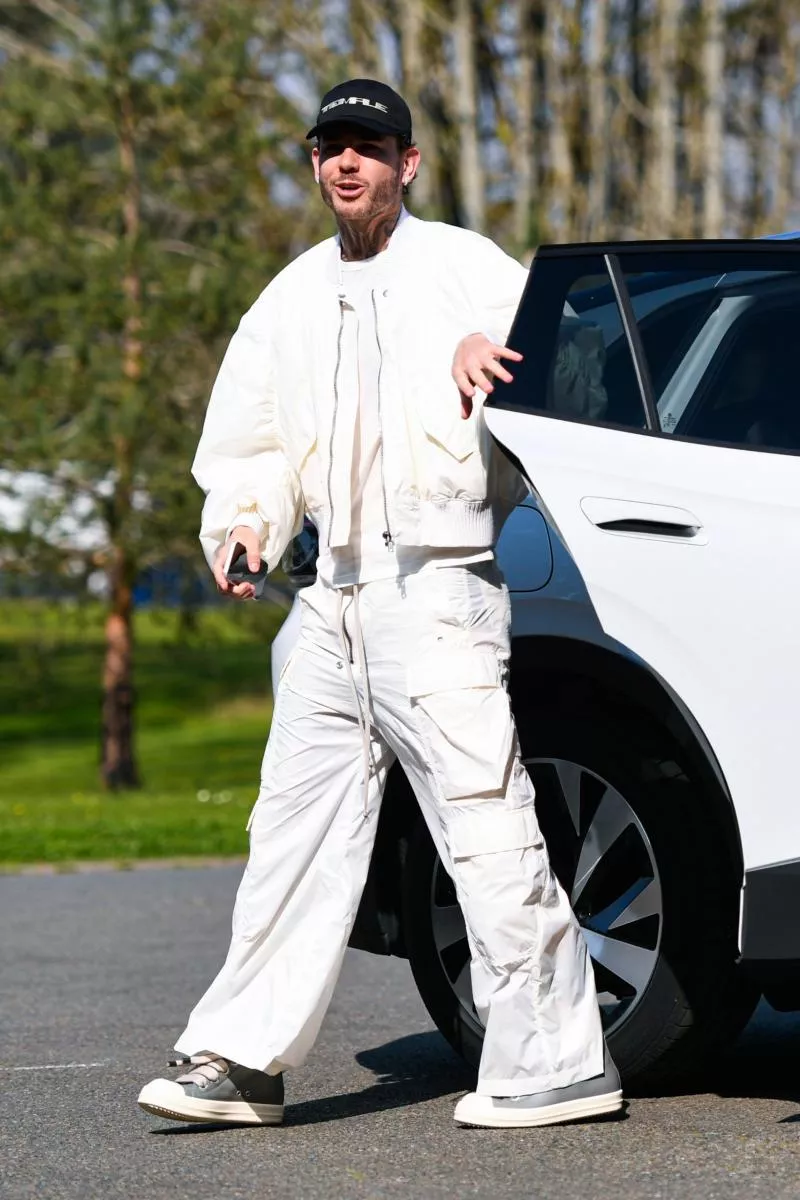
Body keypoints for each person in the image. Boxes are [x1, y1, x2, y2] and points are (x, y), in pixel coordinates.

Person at [137, 79, 622, 1130]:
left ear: (407, 163)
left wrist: (477, 364)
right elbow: (250, 447)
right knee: (290, 835)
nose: (345, 163)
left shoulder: (466, 268)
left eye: (367, 145)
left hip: (438, 589)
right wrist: (246, 525)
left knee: (484, 827)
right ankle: (240, 1059)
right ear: (314, 165)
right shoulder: (288, 299)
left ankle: (555, 1061)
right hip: (331, 599)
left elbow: (551, 368)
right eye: (329, 147)